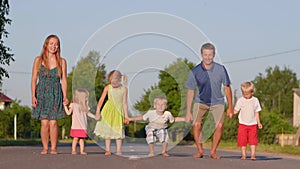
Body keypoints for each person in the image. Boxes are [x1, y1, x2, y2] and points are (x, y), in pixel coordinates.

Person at [185, 42, 234, 159]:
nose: (208, 57)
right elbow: (190, 91)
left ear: (214, 55)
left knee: (220, 125)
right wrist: (188, 111)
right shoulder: (195, 71)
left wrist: (231, 107)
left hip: (217, 102)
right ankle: (200, 150)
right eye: (205, 55)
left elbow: (227, 88)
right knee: (196, 125)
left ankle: (213, 151)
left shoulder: (221, 69)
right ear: (201, 54)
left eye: (210, 55)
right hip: (200, 101)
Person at [31, 34, 68, 155]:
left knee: (53, 122)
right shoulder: (38, 60)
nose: (54, 46)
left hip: (55, 93)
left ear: (59, 47)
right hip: (42, 93)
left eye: (56, 44)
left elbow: (64, 80)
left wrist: (65, 96)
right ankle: (45, 147)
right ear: (46, 44)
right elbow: (34, 79)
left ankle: (53, 148)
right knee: (44, 122)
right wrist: (33, 95)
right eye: (51, 43)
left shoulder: (62, 62)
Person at [94, 70, 129, 156]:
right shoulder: (107, 88)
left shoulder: (124, 89)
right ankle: (108, 150)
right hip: (108, 111)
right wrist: (97, 112)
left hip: (118, 111)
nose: (112, 83)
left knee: (118, 131)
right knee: (108, 131)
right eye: (111, 81)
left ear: (119, 80)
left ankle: (118, 150)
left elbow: (124, 103)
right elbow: (101, 100)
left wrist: (126, 116)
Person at [234, 82, 262, 160]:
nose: (245, 95)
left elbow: (257, 112)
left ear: (252, 92)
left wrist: (259, 122)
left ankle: (253, 155)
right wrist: (231, 113)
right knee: (242, 140)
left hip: (253, 124)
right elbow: (236, 110)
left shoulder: (255, 100)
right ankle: (243, 154)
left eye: (247, 94)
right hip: (243, 123)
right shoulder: (240, 100)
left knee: (253, 140)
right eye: (243, 93)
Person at [64, 88, 97, 155]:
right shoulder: (73, 105)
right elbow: (68, 113)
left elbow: (88, 113)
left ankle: (82, 150)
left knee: (82, 139)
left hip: (83, 125)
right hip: (76, 126)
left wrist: (94, 116)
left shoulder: (85, 106)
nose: (87, 99)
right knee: (76, 138)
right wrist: (65, 106)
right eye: (86, 97)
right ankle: (73, 150)